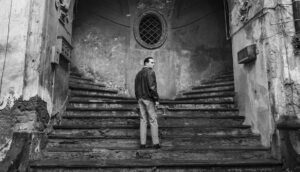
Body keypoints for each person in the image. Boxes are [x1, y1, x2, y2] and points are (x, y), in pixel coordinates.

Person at [134, 57, 160, 149]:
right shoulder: (150, 72)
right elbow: (152, 87)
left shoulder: (138, 74)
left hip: (140, 98)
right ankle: (156, 144)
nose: (154, 64)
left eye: (154, 62)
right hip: (148, 99)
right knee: (153, 120)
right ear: (146, 63)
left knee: (143, 120)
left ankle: (142, 144)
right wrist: (156, 99)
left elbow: (136, 88)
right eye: (152, 62)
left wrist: (138, 98)